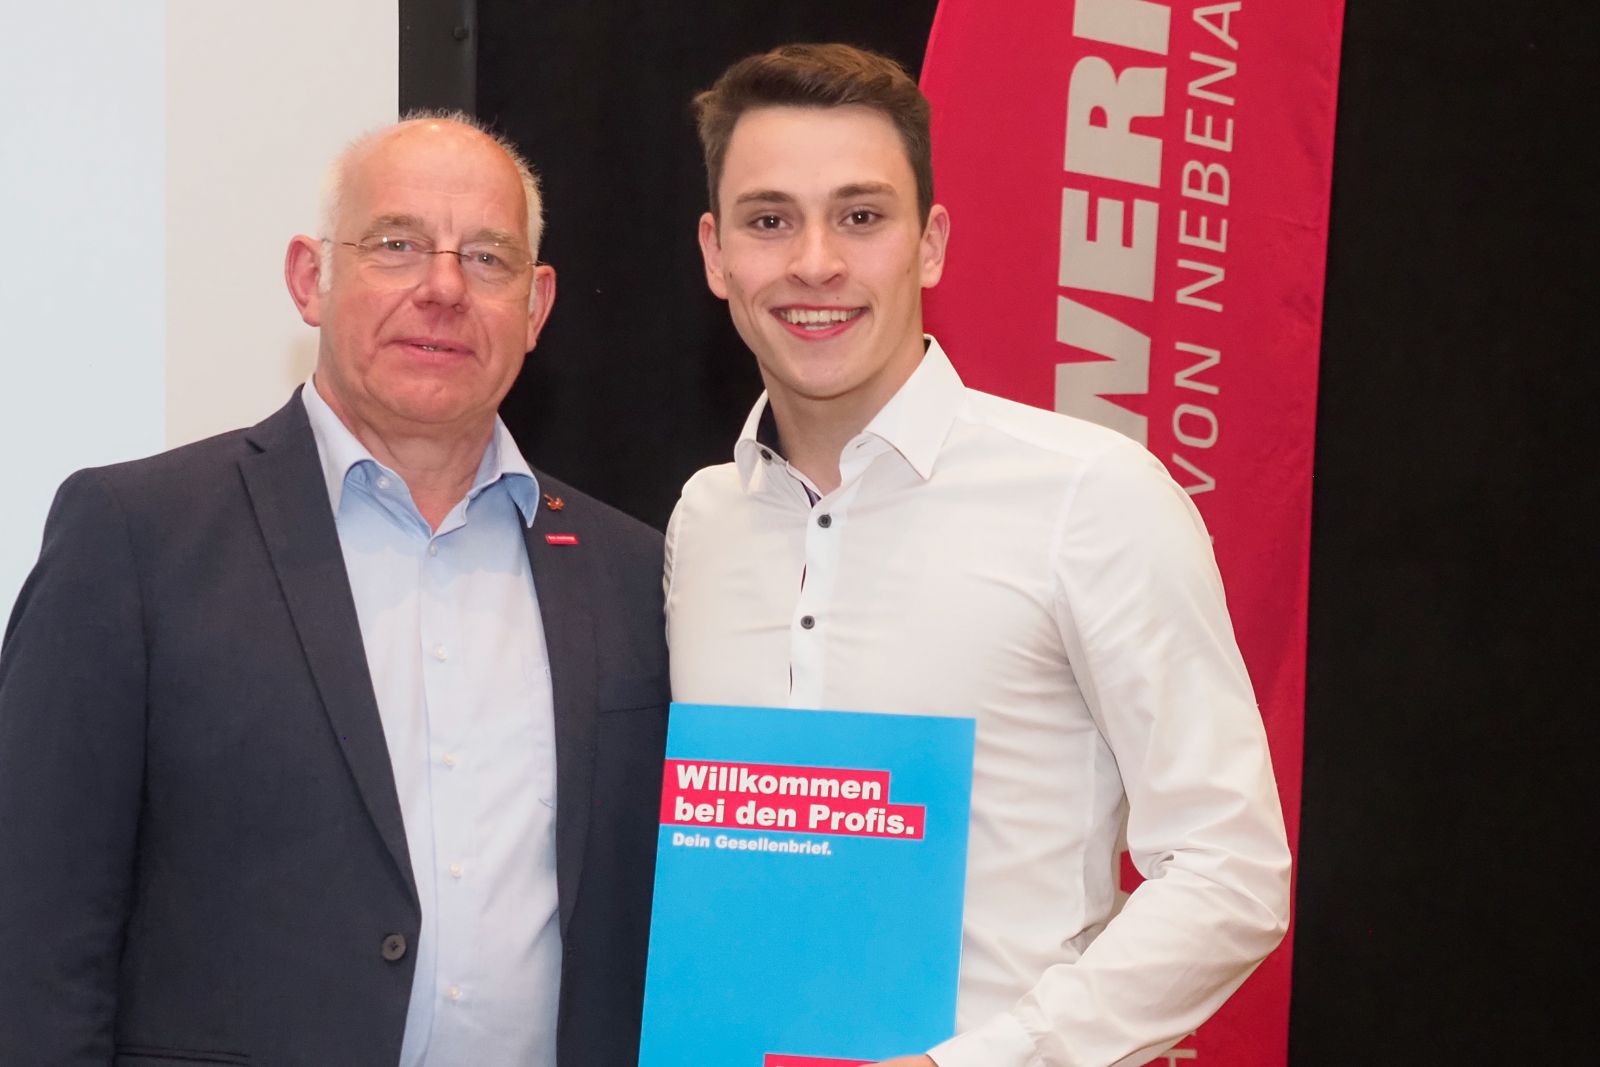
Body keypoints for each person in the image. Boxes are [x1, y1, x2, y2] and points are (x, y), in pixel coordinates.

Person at [665, 44, 1293, 1067]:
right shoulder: (704, 520)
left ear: (930, 244)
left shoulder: (1092, 496)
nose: (814, 262)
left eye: (861, 217)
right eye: (769, 220)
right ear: (714, 252)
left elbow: (1231, 870)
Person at [0, 112, 667, 1067]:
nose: (444, 288)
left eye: (488, 258)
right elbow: (32, 935)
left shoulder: (633, 571)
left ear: (536, 305)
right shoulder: (135, 537)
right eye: (397, 245)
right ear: (310, 278)